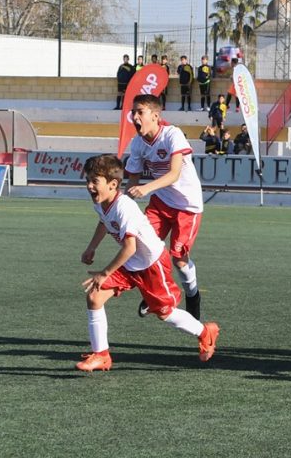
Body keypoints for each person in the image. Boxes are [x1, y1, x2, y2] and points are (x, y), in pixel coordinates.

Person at [75, 154, 219, 371]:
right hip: (131, 264)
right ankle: (101, 355)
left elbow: (130, 247)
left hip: (152, 264)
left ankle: (205, 332)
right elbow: (103, 222)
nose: (89, 186)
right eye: (88, 180)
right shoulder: (101, 202)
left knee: (164, 313)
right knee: (95, 297)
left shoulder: (125, 207)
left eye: (95, 181)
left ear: (113, 184)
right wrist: (91, 246)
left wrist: (104, 273)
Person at [124, 94, 205, 320]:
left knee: (178, 259)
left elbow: (174, 173)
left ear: (155, 116)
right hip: (161, 202)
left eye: (140, 112)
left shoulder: (172, 134)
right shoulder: (138, 143)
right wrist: (121, 207)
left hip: (187, 205)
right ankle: (159, 294)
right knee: (144, 247)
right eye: (133, 112)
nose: (135, 116)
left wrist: (147, 188)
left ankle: (193, 294)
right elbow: (132, 180)